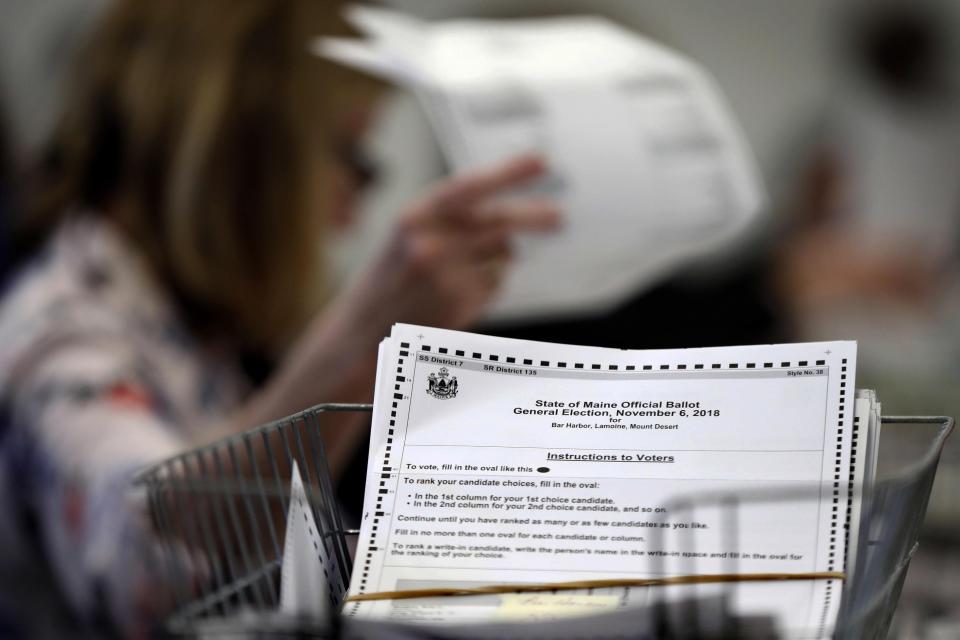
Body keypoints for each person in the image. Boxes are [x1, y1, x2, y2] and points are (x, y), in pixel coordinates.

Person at [0, 0, 559, 636]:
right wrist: (360, 344)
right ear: (244, 151)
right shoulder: (55, 337)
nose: (345, 218)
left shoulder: (197, 331)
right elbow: (153, 578)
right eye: (353, 158)